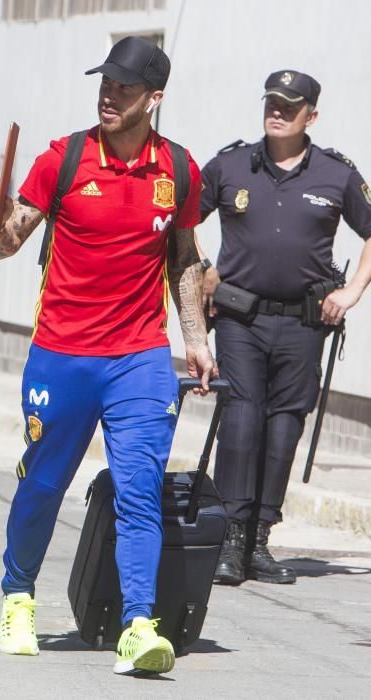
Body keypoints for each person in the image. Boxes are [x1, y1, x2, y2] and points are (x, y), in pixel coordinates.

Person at [0, 36, 217, 675]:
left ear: (154, 98)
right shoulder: (64, 158)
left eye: (125, 88)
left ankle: (138, 625)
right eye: (105, 84)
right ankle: (18, 595)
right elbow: (7, 243)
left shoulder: (180, 170)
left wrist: (195, 339)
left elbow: (185, 259)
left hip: (139, 356)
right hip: (62, 353)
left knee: (138, 489)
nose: (110, 96)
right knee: (46, 482)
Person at [200, 70, 371, 586]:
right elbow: (180, 219)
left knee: (283, 426)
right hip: (240, 318)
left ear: (310, 116)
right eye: (272, 102)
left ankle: (259, 540)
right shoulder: (229, 164)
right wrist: (204, 266)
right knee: (242, 417)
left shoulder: (337, 175)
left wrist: (353, 290)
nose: (277, 111)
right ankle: (229, 536)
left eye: (289, 106)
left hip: (304, 321)